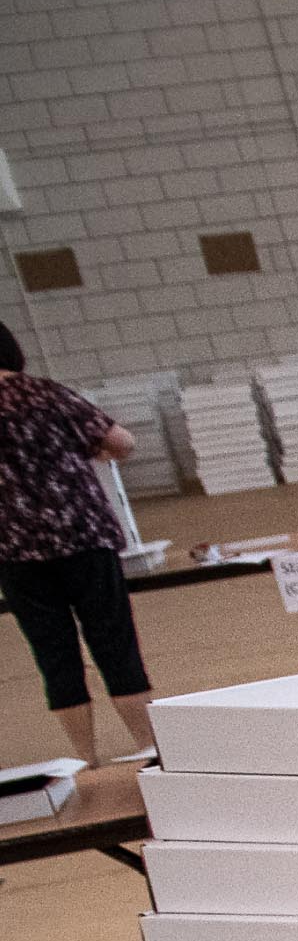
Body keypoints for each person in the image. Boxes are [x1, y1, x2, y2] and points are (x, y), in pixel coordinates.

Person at [0, 321, 159, 766]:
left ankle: (85, 756)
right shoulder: (47, 394)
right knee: (113, 638)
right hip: (82, 534)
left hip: (14, 549)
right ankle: (145, 742)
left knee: (53, 652)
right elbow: (121, 442)